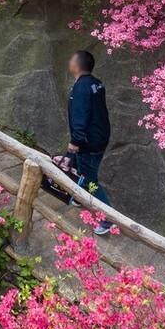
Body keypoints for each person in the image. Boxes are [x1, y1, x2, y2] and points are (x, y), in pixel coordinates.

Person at [67, 50, 114, 235]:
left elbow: (81, 115)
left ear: (78, 64)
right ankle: (81, 196)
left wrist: (75, 141)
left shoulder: (81, 87)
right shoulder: (96, 83)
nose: (69, 61)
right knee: (80, 168)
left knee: (91, 180)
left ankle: (108, 218)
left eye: (71, 58)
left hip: (89, 142)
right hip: (99, 138)